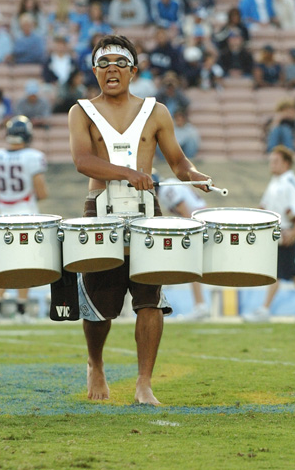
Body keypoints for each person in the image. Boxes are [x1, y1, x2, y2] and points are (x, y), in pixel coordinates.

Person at [67, 34, 211, 405]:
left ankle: (143, 382)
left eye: (118, 62)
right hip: (100, 210)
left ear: (133, 70)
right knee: (100, 304)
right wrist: (127, 173)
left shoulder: (157, 111)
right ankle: (95, 363)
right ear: (95, 71)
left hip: (147, 212)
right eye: (103, 63)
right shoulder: (80, 111)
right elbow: (83, 161)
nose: (111, 68)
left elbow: (178, 163)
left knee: (150, 298)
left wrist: (194, 175)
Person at [244, 146, 295, 323]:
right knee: (290, 273)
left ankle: (265, 310)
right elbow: (264, 207)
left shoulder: (290, 182)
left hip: (285, 237)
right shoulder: (275, 182)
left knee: (278, 273)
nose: (271, 164)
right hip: (276, 236)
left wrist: (294, 232)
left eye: (275, 161)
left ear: (286, 163)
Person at [0, 116, 48, 322]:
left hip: (1, 214)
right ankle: (21, 310)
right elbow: (42, 192)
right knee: (25, 262)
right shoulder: (32, 156)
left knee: (2, 261)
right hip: (26, 213)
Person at [154, 173, 209, 321]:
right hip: (200, 218)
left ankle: (201, 306)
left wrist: (189, 231)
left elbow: (184, 211)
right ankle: (200, 305)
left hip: (196, 222)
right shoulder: (171, 184)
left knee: (193, 265)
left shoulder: (166, 190)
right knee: (192, 265)